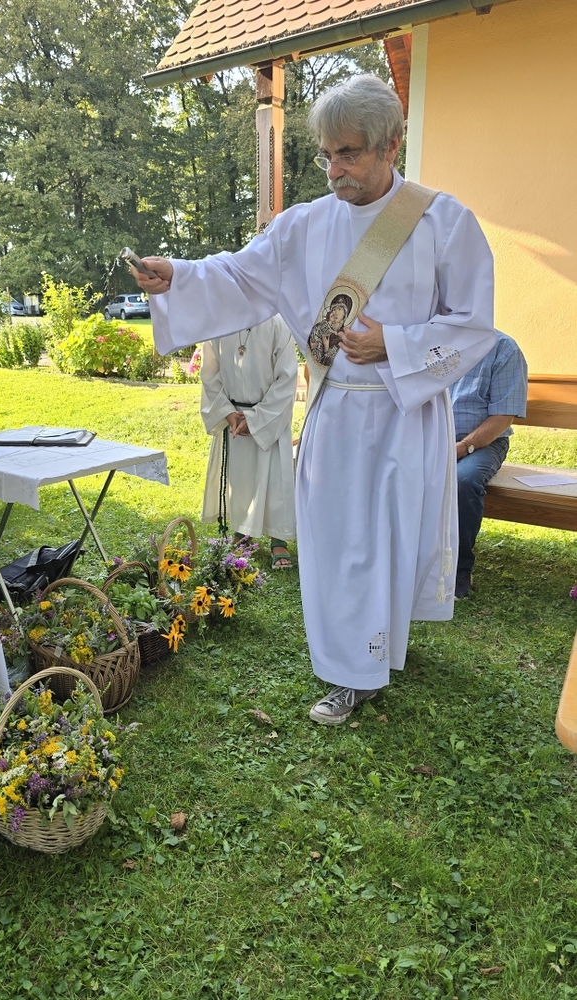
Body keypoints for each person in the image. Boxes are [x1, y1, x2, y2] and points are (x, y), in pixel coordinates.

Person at [131, 75, 496, 725]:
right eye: (327, 155)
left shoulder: (443, 222)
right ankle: (351, 671)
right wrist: (177, 276)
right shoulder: (304, 225)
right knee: (339, 544)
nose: (333, 170)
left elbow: (474, 325)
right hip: (337, 410)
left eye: (348, 153)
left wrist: (396, 344)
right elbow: (239, 275)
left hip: (405, 415)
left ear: (392, 144)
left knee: (386, 540)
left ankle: (378, 649)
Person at [199, 316, 297, 568]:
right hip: (233, 414)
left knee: (273, 478)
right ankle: (242, 531)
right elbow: (209, 374)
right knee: (239, 478)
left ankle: (278, 538)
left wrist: (256, 419)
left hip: (269, 416)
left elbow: (286, 378)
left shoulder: (278, 324)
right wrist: (227, 412)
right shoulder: (219, 322)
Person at [449, 331, 528, 598]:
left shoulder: (504, 349)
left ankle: (459, 569)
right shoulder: (433, 341)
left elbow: (503, 417)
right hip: (433, 438)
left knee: (462, 480)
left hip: (483, 443)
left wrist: (463, 447)